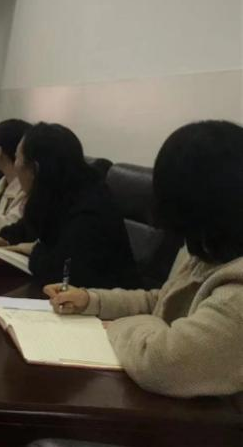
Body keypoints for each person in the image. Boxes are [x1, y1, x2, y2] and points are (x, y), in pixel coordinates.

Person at [44, 121, 243, 398]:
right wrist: (92, 301)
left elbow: (162, 362)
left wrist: (117, 325)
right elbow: (163, 300)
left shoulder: (236, 295)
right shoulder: (212, 246)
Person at [0, 123, 140, 289]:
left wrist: (28, 249)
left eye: (17, 158)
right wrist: (5, 238)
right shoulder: (60, 191)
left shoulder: (91, 209)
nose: (15, 166)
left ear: (35, 169)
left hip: (103, 300)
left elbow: (59, 272)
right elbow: (30, 224)